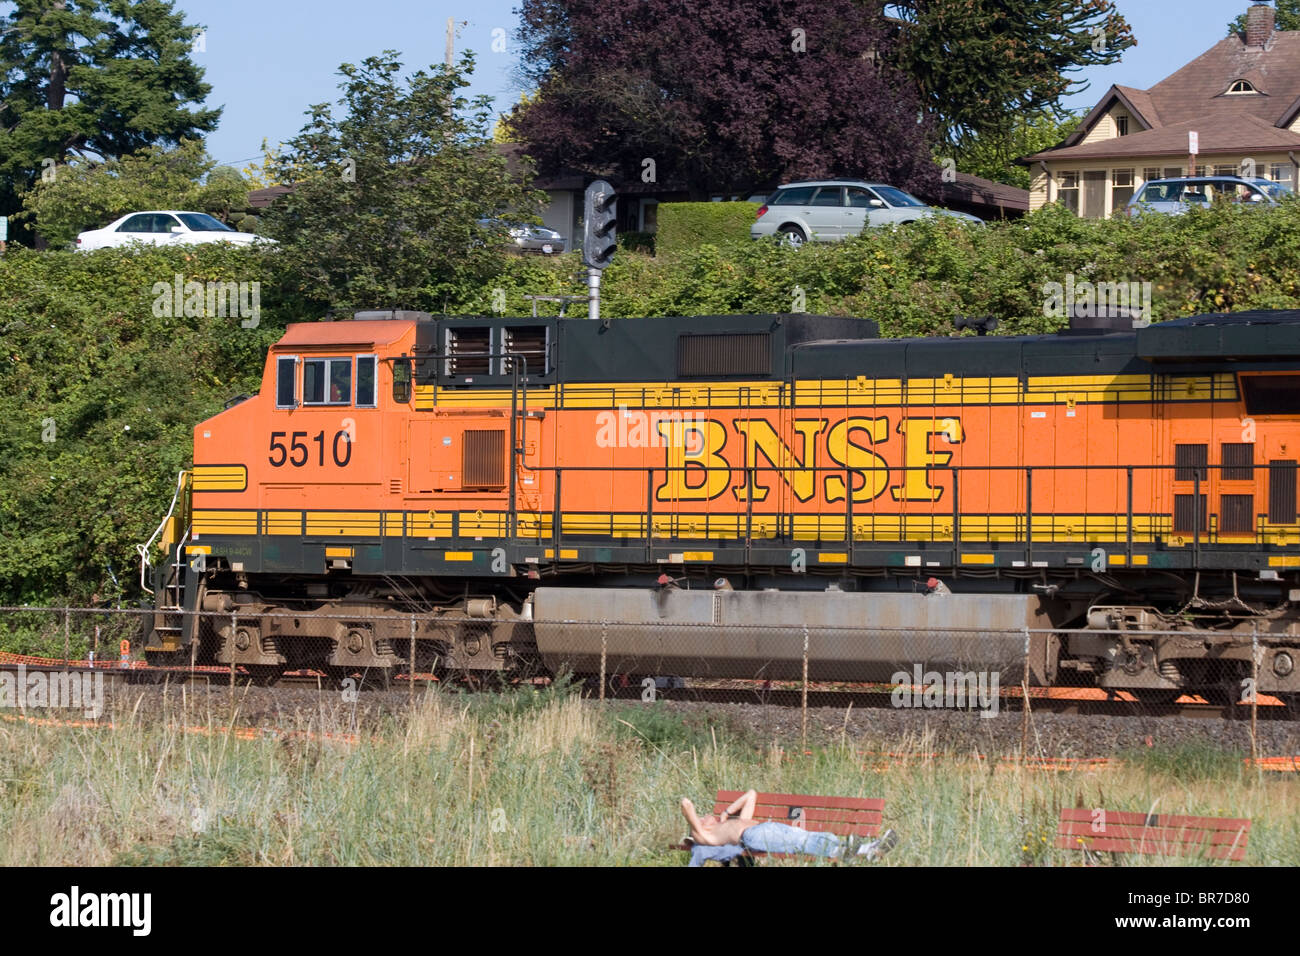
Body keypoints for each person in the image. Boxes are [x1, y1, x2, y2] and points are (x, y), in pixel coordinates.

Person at [680, 789, 898, 866]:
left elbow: (751, 794)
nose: (707, 815)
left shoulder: (728, 822)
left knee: (808, 836)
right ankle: (851, 850)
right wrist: (697, 822)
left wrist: (726, 812)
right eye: (702, 817)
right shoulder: (704, 835)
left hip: (766, 829)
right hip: (754, 837)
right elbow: (686, 805)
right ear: (699, 826)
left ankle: (864, 850)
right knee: (802, 842)